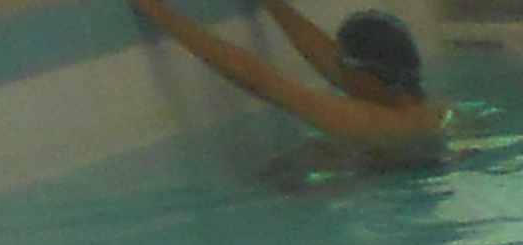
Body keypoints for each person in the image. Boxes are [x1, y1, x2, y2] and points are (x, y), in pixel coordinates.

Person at [124, 0, 447, 164]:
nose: (337, 67)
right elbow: (328, 58)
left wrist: (158, 12)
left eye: (345, 64)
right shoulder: (419, 106)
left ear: (369, 76)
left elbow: (258, 79)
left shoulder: (370, 122)